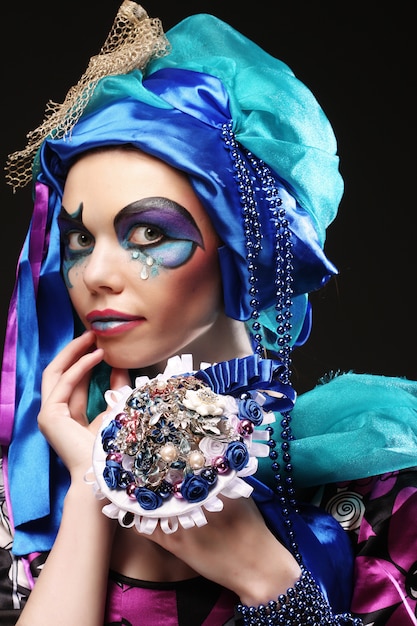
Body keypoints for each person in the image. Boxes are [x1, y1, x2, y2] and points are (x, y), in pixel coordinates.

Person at [1, 2, 417, 625]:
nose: (96, 274)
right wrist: (93, 491)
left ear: (245, 250)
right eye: (81, 239)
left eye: (146, 232)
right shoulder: (21, 494)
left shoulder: (378, 488)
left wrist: (263, 573)